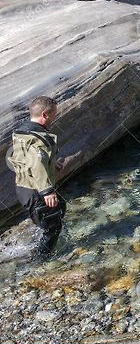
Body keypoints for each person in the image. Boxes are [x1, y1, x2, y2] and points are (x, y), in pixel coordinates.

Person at [8, 96, 67, 256]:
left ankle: (35, 238)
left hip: (23, 188)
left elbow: (26, 157)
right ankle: (42, 259)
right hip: (35, 190)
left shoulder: (22, 132)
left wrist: (51, 163)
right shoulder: (39, 139)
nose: (55, 117)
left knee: (60, 207)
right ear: (45, 115)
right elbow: (36, 163)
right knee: (54, 227)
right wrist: (47, 191)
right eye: (54, 113)